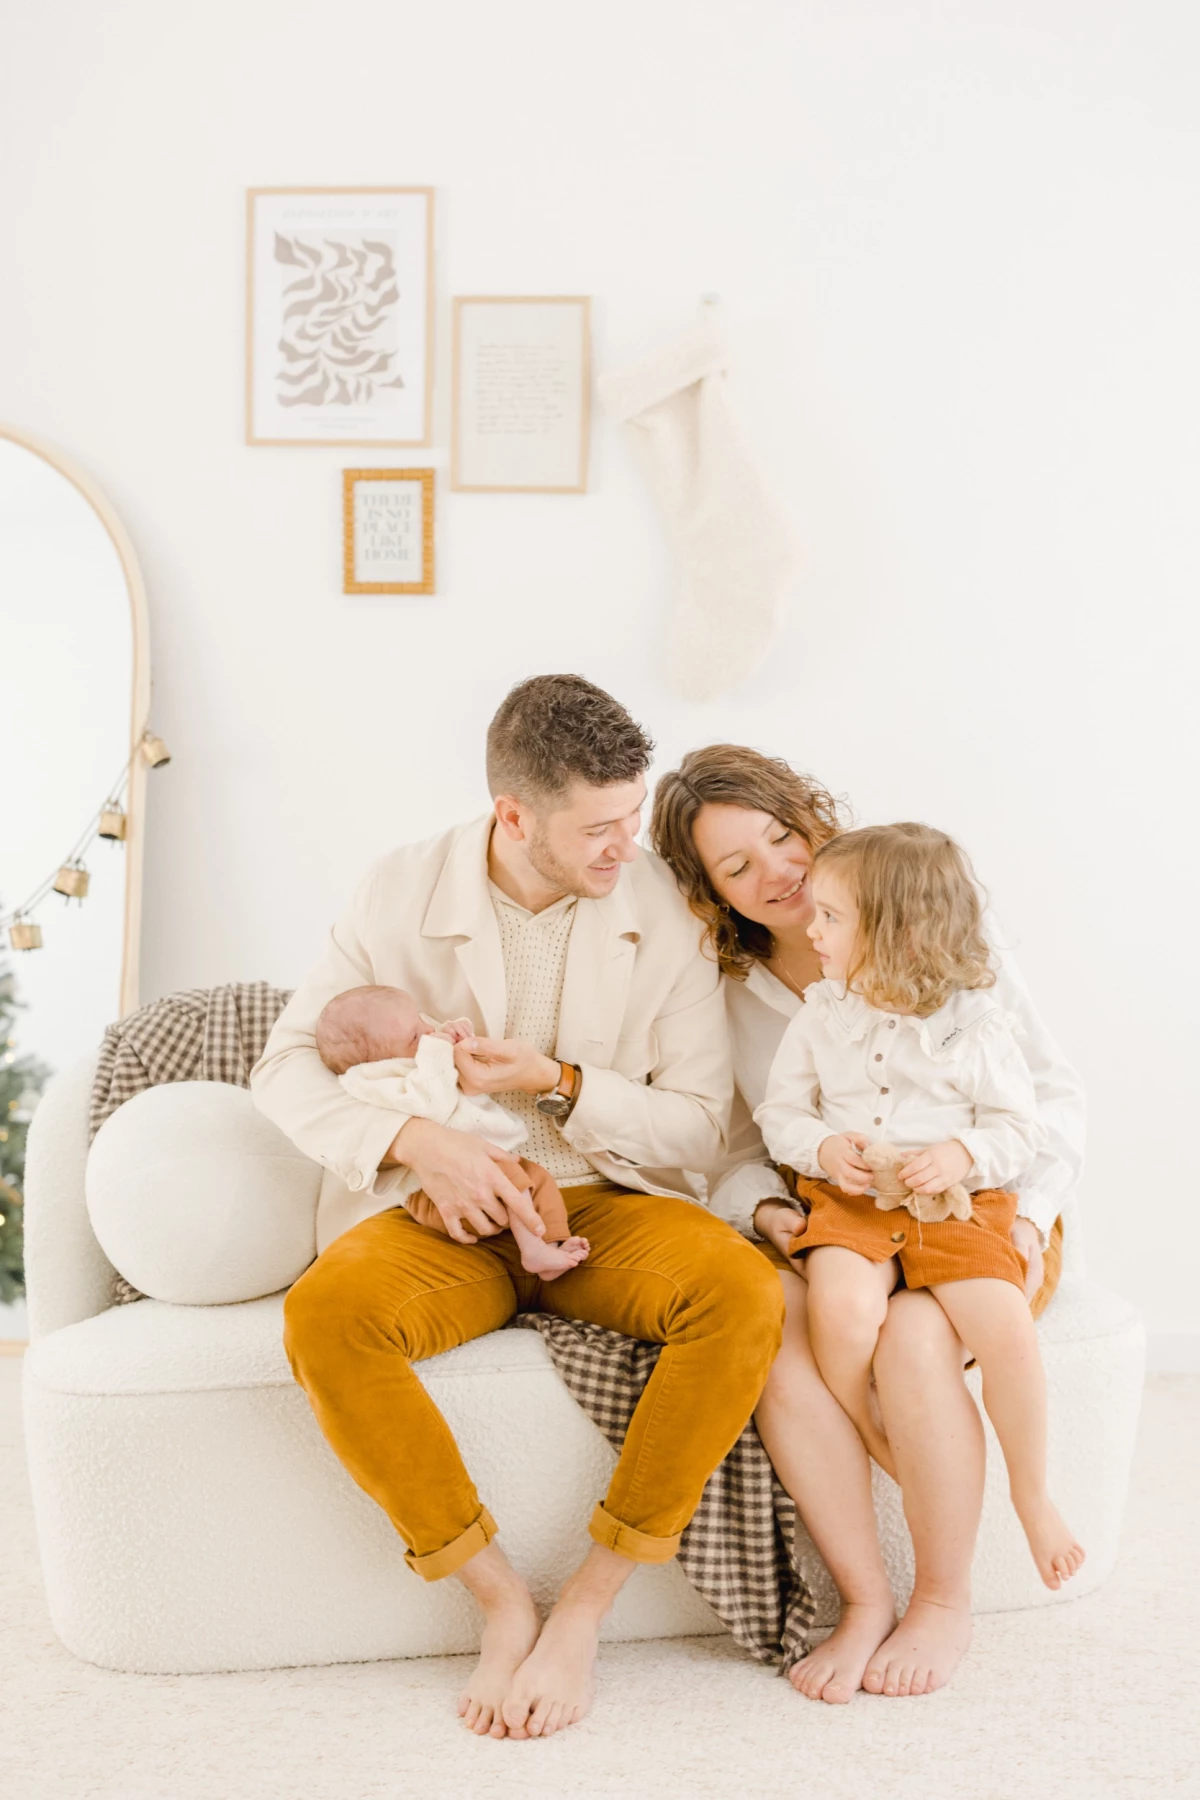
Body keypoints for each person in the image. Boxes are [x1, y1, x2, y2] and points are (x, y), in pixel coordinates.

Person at [251, 677, 783, 1741]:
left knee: (737, 1291)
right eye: (598, 827)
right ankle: (498, 1601)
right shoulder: (398, 889)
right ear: (513, 815)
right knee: (326, 1319)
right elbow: (286, 1070)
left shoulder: (659, 910)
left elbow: (692, 1124)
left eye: (632, 817)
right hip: (443, 1211)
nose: (624, 846)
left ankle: (588, 1603)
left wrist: (561, 1080)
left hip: (605, 1199)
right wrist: (418, 1141)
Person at [650, 746, 1084, 1702]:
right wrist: (772, 1210)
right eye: (738, 867)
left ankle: (943, 1600)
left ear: (811, 816)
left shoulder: (934, 921)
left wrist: (1027, 1221)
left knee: (917, 1335)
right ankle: (863, 1599)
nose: (778, 871)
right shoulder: (730, 988)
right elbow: (740, 1144)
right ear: (711, 895)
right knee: (793, 1328)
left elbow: (1048, 1104)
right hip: (843, 1212)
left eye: (781, 835)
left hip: (980, 1203)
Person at [754, 822, 1085, 1590]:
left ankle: (1031, 1493)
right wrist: (823, 1148)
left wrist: (962, 1155)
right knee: (839, 1310)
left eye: (832, 917)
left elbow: (1018, 1126)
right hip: (854, 1198)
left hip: (957, 1202)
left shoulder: (978, 1024)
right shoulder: (823, 1014)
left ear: (900, 932)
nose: (813, 927)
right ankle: (873, 1431)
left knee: (1003, 1326)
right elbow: (781, 1115)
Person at [315, 983, 591, 1280]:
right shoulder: (379, 1079)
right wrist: (437, 1048)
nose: (429, 1030)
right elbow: (433, 1102)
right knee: (513, 1184)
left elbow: (449, 1065)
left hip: (482, 1169)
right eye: (416, 1035)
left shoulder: (411, 1053)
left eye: (421, 1019)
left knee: (538, 1179)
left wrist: (459, 1036)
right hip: (437, 1195)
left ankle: (552, 1243)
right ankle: (533, 1251)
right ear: (378, 1057)